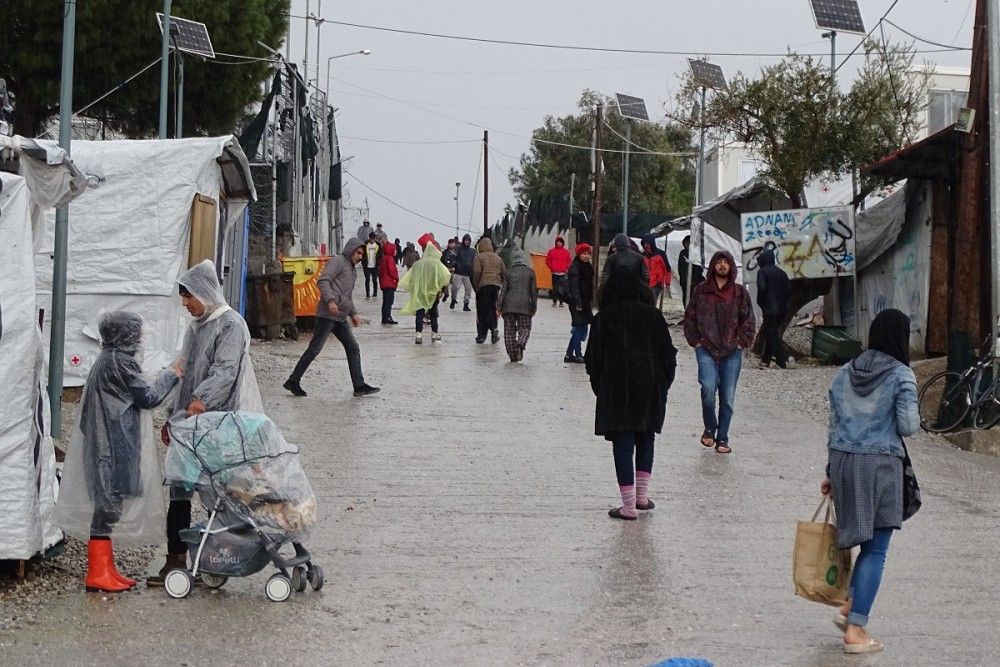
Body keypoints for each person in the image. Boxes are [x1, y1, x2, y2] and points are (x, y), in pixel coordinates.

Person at [147, 260, 265, 586]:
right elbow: (184, 372)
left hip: (219, 422)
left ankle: (220, 558)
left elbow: (225, 372)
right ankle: (175, 562)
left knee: (221, 492)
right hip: (191, 423)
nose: (185, 305)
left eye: (188, 298)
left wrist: (202, 400)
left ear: (204, 293)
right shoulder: (197, 326)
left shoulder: (231, 325)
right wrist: (175, 416)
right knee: (180, 489)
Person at [54, 312, 182, 592]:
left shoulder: (107, 359)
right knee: (107, 507)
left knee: (108, 507)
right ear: (125, 335)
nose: (140, 339)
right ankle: (97, 573)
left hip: (106, 445)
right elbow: (149, 397)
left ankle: (105, 568)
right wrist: (172, 373)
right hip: (111, 447)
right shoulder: (121, 362)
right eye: (136, 333)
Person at [821, 309, 919, 655]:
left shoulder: (845, 371)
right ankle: (857, 630)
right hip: (879, 465)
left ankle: (851, 606)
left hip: (844, 462)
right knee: (875, 548)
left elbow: (834, 425)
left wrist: (830, 472)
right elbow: (909, 426)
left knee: (861, 542)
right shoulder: (901, 374)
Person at [585, 261, 677, 520]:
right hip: (649, 387)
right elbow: (668, 355)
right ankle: (642, 498)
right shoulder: (653, 315)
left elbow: (592, 359)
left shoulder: (603, 317)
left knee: (624, 443)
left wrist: (600, 387)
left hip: (616, 388)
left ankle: (628, 507)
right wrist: (663, 384)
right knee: (646, 437)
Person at [283, 237, 380, 398]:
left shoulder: (352, 269)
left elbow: (347, 296)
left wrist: (353, 313)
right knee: (315, 349)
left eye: (361, 254)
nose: (360, 257)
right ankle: (293, 381)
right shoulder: (338, 262)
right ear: (350, 250)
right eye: (358, 253)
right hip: (328, 315)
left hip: (341, 317)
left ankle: (359, 385)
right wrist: (331, 301)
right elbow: (322, 281)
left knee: (353, 348)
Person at [683, 251, 756, 455]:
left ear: (731, 266)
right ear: (713, 265)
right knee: (708, 387)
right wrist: (696, 342)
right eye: (719, 262)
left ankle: (722, 438)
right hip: (705, 348)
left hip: (732, 350)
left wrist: (741, 343)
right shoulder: (701, 291)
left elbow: (749, 321)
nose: (722, 265)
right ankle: (709, 427)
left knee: (728, 396)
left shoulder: (740, 293)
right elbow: (689, 318)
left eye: (726, 262)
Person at [399, 234, 453, 344]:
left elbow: (410, 278)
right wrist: (442, 290)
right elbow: (446, 275)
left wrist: (414, 290)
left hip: (420, 293)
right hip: (433, 293)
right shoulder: (437, 264)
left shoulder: (418, 264)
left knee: (420, 313)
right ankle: (434, 334)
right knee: (433, 314)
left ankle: (418, 335)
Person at [498, 249, 538, 362]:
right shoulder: (530, 272)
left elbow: (503, 291)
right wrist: (534, 307)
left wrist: (499, 306)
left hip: (508, 306)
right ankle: (521, 343)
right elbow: (533, 292)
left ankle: (513, 356)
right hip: (525, 306)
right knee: (525, 328)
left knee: (509, 332)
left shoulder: (508, 272)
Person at [756, 247, 791, 369]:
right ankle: (765, 360)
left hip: (769, 308)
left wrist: (761, 302)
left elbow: (762, 288)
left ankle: (782, 361)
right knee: (772, 333)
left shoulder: (762, 272)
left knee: (771, 335)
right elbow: (789, 290)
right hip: (782, 309)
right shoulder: (782, 273)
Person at [472, 236, 506, 344]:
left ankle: (483, 334)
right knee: (492, 309)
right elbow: (504, 273)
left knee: (483, 311)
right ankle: (493, 332)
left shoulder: (479, 257)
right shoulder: (498, 258)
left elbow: (476, 272)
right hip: (495, 287)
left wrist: (476, 285)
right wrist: (501, 283)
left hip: (483, 287)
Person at [564, 242, 595, 364]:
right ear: (579, 254)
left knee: (581, 327)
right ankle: (578, 354)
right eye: (584, 253)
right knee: (579, 327)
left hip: (586, 302)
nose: (586, 256)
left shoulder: (588, 267)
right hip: (577, 303)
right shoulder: (575, 267)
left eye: (588, 253)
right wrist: (578, 302)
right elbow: (574, 286)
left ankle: (568, 354)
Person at [641, 234, 671, 305]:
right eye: (644, 243)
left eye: (647, 243)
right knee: (645, 302)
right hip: (645, 283)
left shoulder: (661, 254)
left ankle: (652, 315)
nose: (646, 245)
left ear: (652, 243)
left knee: (652, 302)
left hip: (657, 283)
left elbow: (667, 268)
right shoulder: (642, 255)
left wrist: (667, 283)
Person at [678, 235, 704, 308]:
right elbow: (680, 267)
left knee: (694, 297)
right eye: (686, 243)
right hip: (684, 281)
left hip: (695, 281)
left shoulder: (697, 253)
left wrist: (695, 279)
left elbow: (699, 267)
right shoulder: (682, 253)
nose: (687, 245)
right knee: (686, 297)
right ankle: (686, 311)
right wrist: (682, 279)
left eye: (688, 243)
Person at [545, 236, 572, 307]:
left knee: (562, 289)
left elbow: (569, 261)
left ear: (562, 243)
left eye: (560, 242)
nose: (559, 243)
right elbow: (548, 261)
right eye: (558, 241)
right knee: (555, 289)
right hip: (555, 273)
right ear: (556, 242)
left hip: (563, 273)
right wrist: (552, 268)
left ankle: (561, 302)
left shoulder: (566, 252)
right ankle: (554, 302)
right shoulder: (551, 251)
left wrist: (566, 268)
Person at [452, 233, 476, 311]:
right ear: (463, 240)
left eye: (468, 240)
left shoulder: (472, 251)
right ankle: (453, 299)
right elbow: (452, 257)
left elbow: (474, 261)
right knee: (455, 287)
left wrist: (472, 268)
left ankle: (466, 304)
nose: (467, 242)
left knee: (468, 289)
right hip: (459, 272)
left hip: (467, 273)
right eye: (466, 240)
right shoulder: (458, 249)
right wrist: (455, 264)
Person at [379, 239, 400, 326]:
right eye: (394, 249)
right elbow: (392, 271)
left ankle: (385, 317)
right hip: (389, 283)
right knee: (389, 301)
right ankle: (388, 317)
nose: (395, 251)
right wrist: (396, 278)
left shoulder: (383, 258)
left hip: (384, 283)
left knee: (385, 301)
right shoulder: (390, 259)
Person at [362, 233, 381, 299]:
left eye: (373, 239)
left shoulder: (378, 246)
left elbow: (380, 256)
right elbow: (362, 254)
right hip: (367, 266)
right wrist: (363, 262)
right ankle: (367, 294)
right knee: (367, 280)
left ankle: (375, 293)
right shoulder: (365, 245)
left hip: (375, 266)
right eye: (371, 239)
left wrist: (379, 264)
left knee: (375, 280)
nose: (372, 240)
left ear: (375, 239)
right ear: (369, 238)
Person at [441, 237, 459, 302]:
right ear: (448, 244)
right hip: (446, 271)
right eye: (450, 244)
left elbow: (458, 261)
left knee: (455, 286)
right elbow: (442, 261)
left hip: (454, 271)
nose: (452, 245)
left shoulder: (456, 252)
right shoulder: (445, 252)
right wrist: (446, 268)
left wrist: (455, 268)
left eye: (453, 244)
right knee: (445, 284)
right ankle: (446, 294)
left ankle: (454, 298)